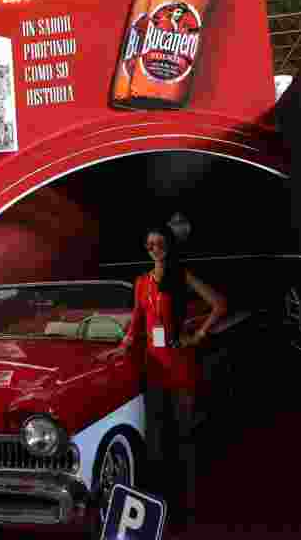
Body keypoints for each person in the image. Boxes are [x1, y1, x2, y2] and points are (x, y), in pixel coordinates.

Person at [118, 222, 227, 525]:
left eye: (160, 242)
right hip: (153, 368)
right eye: (150, 244)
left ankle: (187, 510)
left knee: (183, 439)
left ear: (168, 244)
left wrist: (198, 336)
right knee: (155, 442)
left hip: (180, 366)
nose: (155, 248)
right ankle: (159, 508)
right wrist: (123, 345)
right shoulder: (141, 282)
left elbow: (219, 305)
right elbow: (137, 322)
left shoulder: (182, 275)